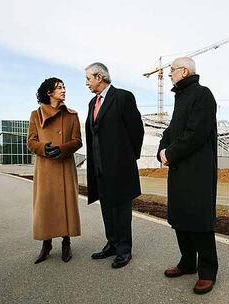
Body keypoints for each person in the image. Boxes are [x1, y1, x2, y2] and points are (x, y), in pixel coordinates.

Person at [157, 57, 219, 294]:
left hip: (197, 170)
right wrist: (161, 150)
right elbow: (172, 130)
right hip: (180, 169)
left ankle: (207, 271)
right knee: (181, 217)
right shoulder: (180, 97)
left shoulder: (202, 94)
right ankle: (187, 262)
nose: (169, 74)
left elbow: (196, 133)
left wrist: (170, 154)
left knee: (199, 220)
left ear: (184, 71)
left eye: (172, 70)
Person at [84, 62, 144, 268]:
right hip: (99, 167)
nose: (87, 83)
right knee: (107, 208)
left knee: (121, 209)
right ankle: (112, 243)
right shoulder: (93, 103)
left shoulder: (123, 97)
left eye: (88, 79)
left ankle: (124, 250)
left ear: (99, 77)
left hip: (120, 167)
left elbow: (137, 131)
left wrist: (128, 159)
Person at [27, 77, 83, 264]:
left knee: (66, 204)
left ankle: (66, 242)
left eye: (64, 87)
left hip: (65, 166)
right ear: (49, 92)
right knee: (46, 205)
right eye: (59, 88)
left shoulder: (72, 115)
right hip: (45, 168)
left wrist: (63, 149)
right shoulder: (36, 115)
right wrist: (44, 148)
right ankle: (46, 244)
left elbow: (77, 141)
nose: (64, 90)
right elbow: (31, 142)